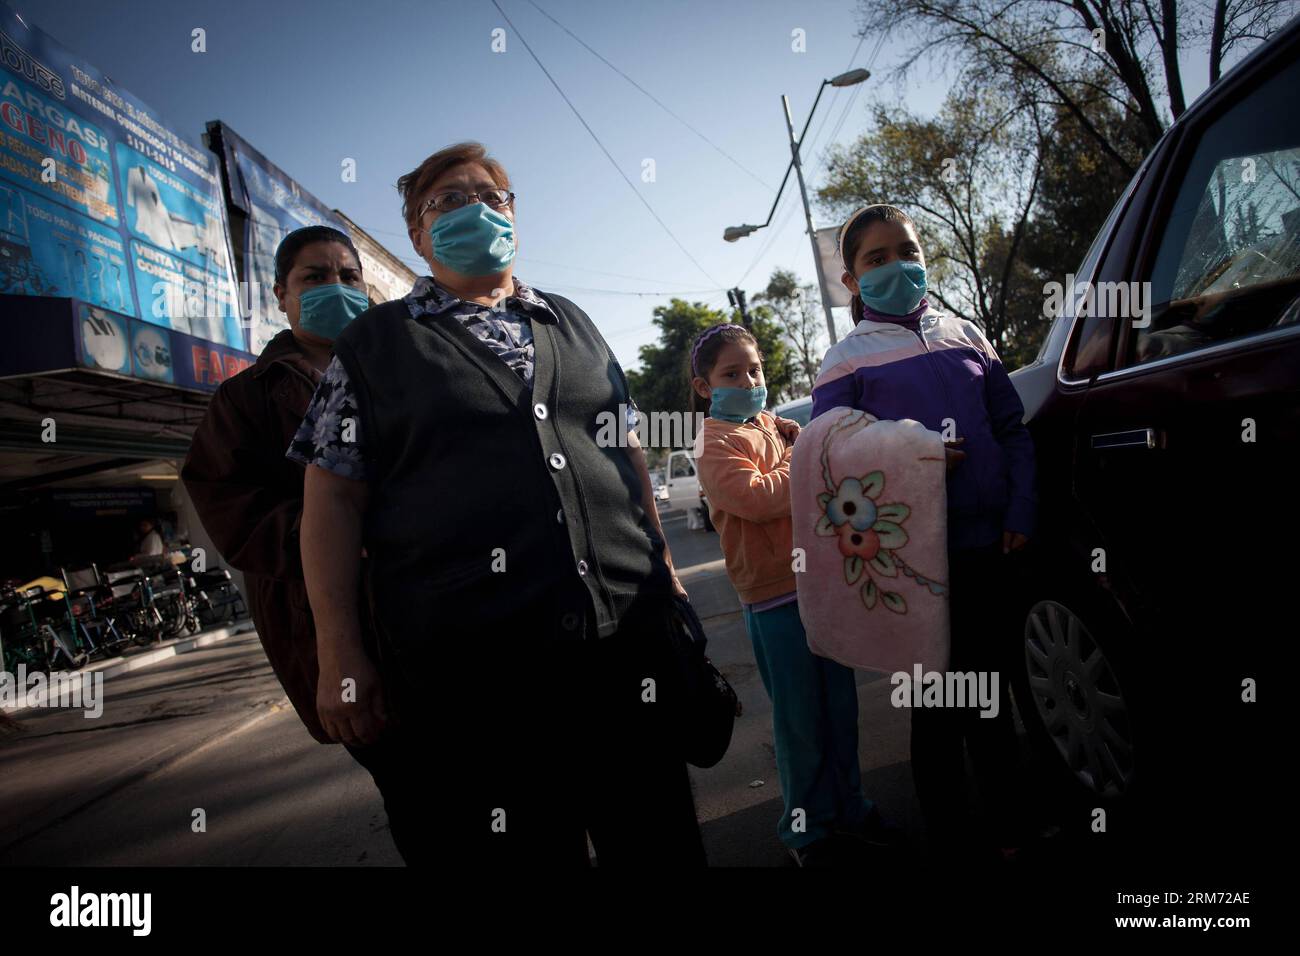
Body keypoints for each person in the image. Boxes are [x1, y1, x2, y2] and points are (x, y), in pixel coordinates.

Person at [292, 141, 705, 867]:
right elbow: (330, 501)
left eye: (491, 195)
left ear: (513, 213)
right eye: (448, 200)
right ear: (416, 235)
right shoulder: (374, 346)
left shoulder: (571, 321)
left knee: (660, 846)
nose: (475, 208)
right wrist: (340, 655)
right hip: (476, 685)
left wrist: (665, 575)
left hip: (625, 655)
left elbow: (627, 454)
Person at [182, 226, 422, 862]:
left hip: (455, 619)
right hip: (345, 634)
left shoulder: (410, 370)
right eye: (315, 278)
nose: (336, 287)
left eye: (348, 276)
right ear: (280, 296)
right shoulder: (246, 399)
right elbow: (237, 514)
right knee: (426, 804)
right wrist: (349, 536)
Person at [811, 204, 1037, 861]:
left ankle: (1017, 830)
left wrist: (1022, 509)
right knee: (937, 713)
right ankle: (955, 842)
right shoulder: (845, 361)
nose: (896, 266)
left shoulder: (967, 334)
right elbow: (828, 454)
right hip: (916, 567)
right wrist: (910, 449)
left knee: (993, 699)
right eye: (875, 259)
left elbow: (1012, 428)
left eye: (905, 250)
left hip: (993, 547)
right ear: (850, 281)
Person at [690, 322, 898, 867]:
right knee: (799, 722)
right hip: (773, 599)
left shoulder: (770, 426)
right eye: (731, 373)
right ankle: (805, 830)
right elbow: (756, 499)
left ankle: (851, 806)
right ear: (704, 386)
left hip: (820, 586)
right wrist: (803, 460)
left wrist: (794, 449)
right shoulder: (713, 441)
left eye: (754, 369)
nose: (748, 379)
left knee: (840, 708)